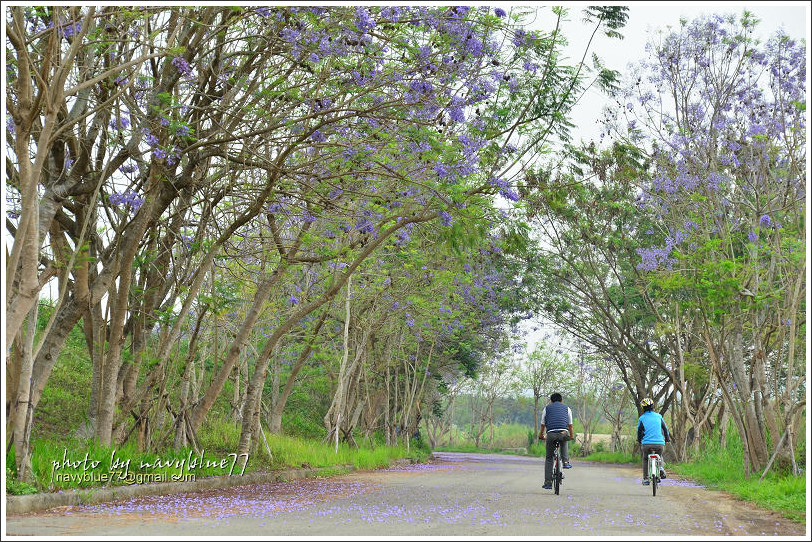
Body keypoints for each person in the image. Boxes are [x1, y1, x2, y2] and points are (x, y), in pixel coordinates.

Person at [538, 392, 574, 490]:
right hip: (563, 432)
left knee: (549, 458)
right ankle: (565, 461)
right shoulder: (567, 408)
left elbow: (543, 424)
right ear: (562, 400)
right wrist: (571, 436)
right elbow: (570, 425)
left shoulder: (547, 408)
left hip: (551, 434)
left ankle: (548, 483)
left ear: (551, 401)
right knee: (564, 440)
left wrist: (541, 435)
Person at [637, 397, 670, 485]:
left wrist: (639, 440)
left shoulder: (642, 418)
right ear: (653, 406)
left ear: (643, 408)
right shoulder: (659, 416)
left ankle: (646, 478)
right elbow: (665, 429)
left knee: (645, 458)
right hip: (659, 444)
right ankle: (660, 468)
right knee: (660, 455)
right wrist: (667, 438)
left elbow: (639, 431)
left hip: (646, 444)